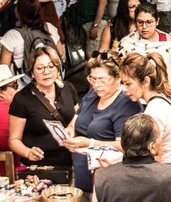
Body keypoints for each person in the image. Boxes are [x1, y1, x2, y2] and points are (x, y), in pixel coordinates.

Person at [61, 51, 142, 198]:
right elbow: (75, 121)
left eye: (102, 80)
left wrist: (89, 143)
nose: (96, 85)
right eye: (92, 79)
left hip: (110, 180)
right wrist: (69, 131)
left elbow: (125, 145)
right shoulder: (93, 94)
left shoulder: (126, 104)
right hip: (82, 176)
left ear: (118, 78)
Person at [119, 52, 171, 192]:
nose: (124, 89)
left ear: (146, 81)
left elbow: (155, 157)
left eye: (128, 83)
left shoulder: (153, 112)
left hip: (170, 183)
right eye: (123, 83)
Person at [9, 47, 78, 167]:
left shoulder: (67, 88)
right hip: (40, 165)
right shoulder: (21, 99)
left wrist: (72, 127)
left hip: (73, 160)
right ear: (32, 73)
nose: (46, 72)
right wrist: (28, 152)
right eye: (40, 68)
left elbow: (78, 114)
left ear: (58, 69)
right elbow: (14, 140)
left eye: (51, 67)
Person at [94, 113, 171, 202]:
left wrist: (112, 171)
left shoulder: (102, 177)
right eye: (159, 135)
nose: (161, 139)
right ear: (152, 147)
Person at [0, 0, 64, 83]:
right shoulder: (49, 27)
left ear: (18, 12)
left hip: (25, 88)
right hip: (51, 82)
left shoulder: (12, 35)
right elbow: (60, 52)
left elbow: (3, 67)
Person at [118, 3, 171, 90]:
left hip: (165, 92)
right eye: (140, 22)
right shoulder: (126, 43)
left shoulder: (168, 41)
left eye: (149, 22)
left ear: (157, 21)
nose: (144, 27)